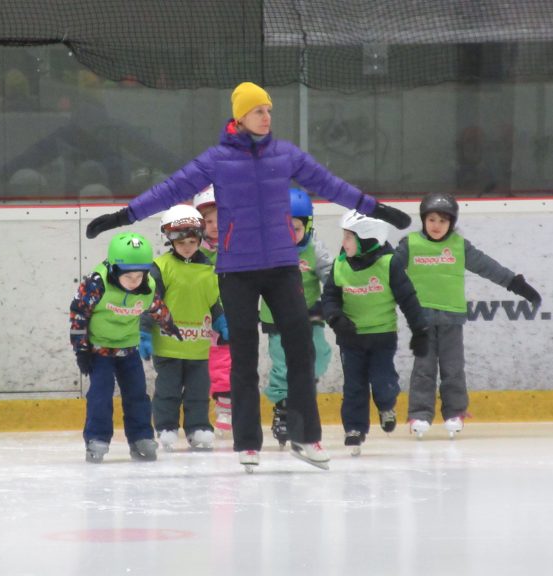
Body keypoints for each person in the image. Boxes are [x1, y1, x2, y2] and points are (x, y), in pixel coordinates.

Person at [84, 81, 412, 470]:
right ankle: (248, 443)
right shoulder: (217, 160)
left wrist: (377, 209)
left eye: (269, 110)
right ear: (240, 116)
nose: (266, 116)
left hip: (282, 266)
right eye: (259, 110)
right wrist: (123, 217)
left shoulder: (285, 155)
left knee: (301, 350)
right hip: (237, 269)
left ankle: (306, 435)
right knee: (243, 356)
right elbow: (170, 189)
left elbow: (329, 184)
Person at [392, 192, 542, 438]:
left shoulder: (459, 246)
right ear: (423, 220)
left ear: (451, 222)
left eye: (443, 220)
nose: (436, 225)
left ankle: (455, 412)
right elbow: (388, 271)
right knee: (423, 368)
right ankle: (419, 414)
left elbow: (488, 267)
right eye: (431, 220)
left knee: (453, 368)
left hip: (452, 318)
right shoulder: (410, 244)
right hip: (422, 320)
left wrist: (517, 285)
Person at [322, 210, 429, 455]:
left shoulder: (389, 264)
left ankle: (386, 405)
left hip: (382, 337)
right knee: (354, 387)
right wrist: (335, 318)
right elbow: (329, 297)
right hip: (350, 339)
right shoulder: (340, 265)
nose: (343, 243)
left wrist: (420, 330)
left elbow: (408, 299)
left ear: (367, 239)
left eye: (349, 237)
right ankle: (354, 428)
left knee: (383, 381)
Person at [69, 231, 182, 463]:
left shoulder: (147, 286)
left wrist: (169, 326)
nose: (134, 282)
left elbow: (156, 307)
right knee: (100, 395)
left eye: (139, 276)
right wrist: (81, 349)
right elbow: (79, 313)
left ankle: (141, 437)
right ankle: (97, 438)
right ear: (114, 270)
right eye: (128, 276)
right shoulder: (96, 284)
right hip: (99, 351)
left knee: (137, 395)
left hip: (129, 350)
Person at [139, 204, 228, 452]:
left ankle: (198, 428)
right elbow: (150, 301)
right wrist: (144, 333)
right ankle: (166, 427)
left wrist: (222, 322)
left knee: (198, 391)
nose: (187, 247)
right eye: (181, 242)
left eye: (192, 241)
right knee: (168, 390)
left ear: (199, 238)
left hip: (198, 346)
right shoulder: (160, 267)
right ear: (170, 240)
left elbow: (213, 301)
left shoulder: (209, 268)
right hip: (168, 345)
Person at [260, 188, 333, 447]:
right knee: (282, 364)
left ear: (308, 226)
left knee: (320, 353)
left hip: (309, 316)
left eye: (297, 228)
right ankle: (282, 407)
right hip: (276, 318)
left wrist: (329, 301)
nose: (290, 235)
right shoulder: (267, 249)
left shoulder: (315, 249)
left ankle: (304, 384)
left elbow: (331, 276)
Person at [192, 185, 233, 436]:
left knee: (223, 364)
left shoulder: (236, 247)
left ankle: (225, 410)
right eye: (208, 221)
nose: (215, 226)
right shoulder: (193, 252)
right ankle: (198, 413)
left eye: (220, 219)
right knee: (200, 366)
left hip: (228, 317)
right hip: (199, 318)